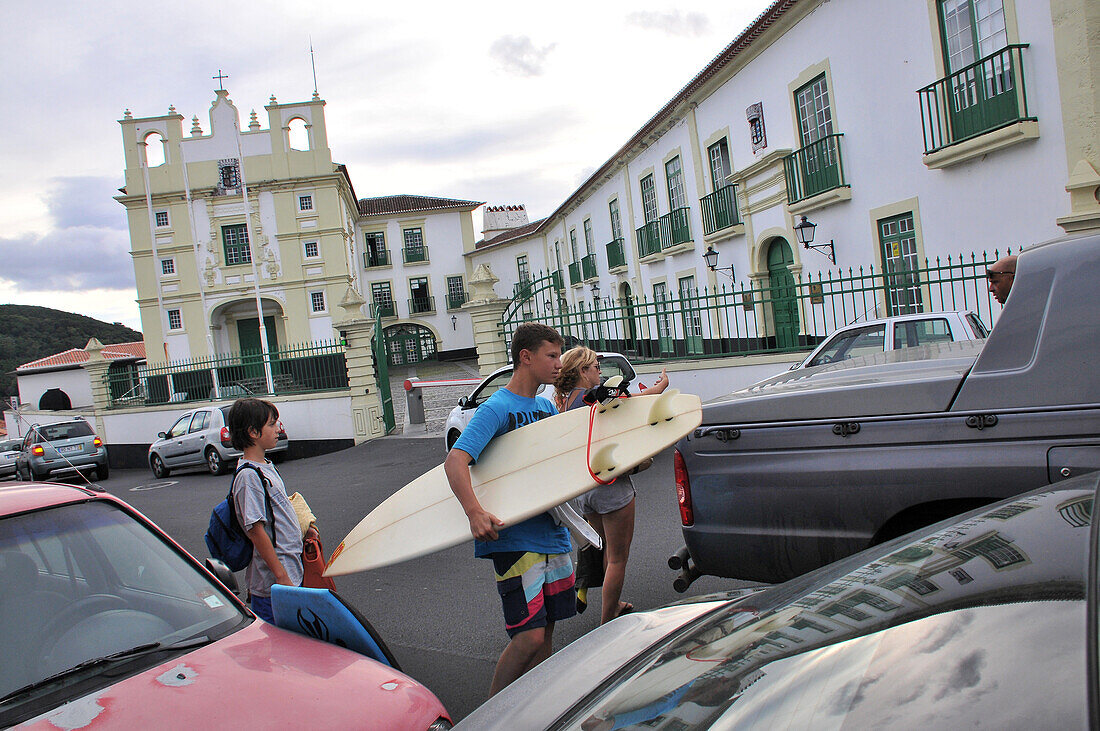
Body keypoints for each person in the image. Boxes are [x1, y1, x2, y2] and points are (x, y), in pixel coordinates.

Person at [444, 323, 574, 697]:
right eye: (551, 356)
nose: (558, 363)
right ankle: (492, 714)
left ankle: (539, 708)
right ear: (526, 357)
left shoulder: (545, 407)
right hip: (515, 536)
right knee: (528, 636)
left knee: (546, 630)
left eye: (559, 355)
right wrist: (474, 512)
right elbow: (456, 462)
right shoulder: (497, 408)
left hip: (552, 532)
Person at [554, 348, 669, 625]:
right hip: (611, 486)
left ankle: (613, 604)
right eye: (595, 367)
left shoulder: (565, 400)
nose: (600, 372)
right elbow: (631, 404)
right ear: (582, 371)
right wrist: (660, 388)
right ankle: (607, 621)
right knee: (618, 557)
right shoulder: (592, 398)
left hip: (587, 488)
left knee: (606, 549)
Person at [227, 397, 303, 622]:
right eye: (271, 424)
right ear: (253, 432)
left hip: (288, 574)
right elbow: (256, 531)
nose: (278, 428)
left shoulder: (265, 467)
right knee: (281, 650)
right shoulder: (249, 476)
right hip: (274, 586)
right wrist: (281, 576)